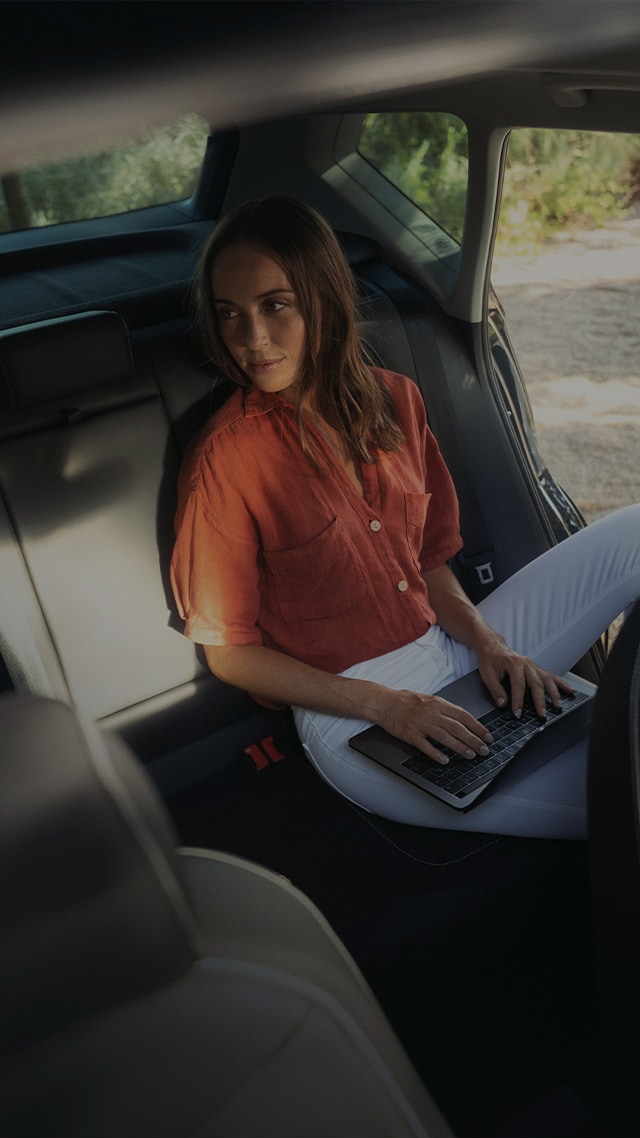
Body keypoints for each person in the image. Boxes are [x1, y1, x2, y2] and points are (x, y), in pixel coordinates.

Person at [171, 194, 640, 840]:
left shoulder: (397, 400)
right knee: (624, 802)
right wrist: (383, 704)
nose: (251, 339)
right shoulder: (227, 459)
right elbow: (229, 654)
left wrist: (489, 644)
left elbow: (427, 563)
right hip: (350, 715)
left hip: (448, 646)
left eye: (274, 306)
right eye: (230, 315)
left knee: (634, 531)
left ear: (323, 297)